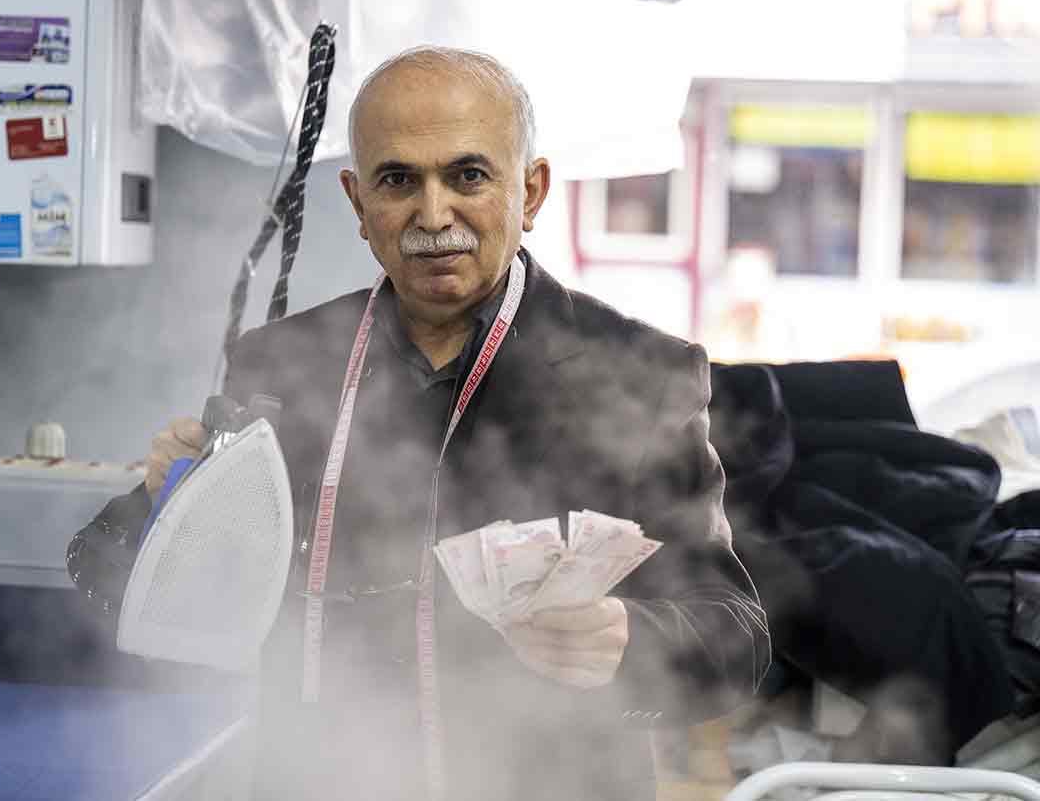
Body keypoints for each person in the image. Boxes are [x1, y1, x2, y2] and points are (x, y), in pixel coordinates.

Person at [68, 46, 770, 801]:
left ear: (529, 192)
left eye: (468, 175)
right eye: (399, 179)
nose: (434, 215)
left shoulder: (642, 377)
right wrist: (162, 504)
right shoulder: (280, 368)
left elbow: (736, 634)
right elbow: (106, 581)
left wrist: (625, 639)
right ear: (358, 201)